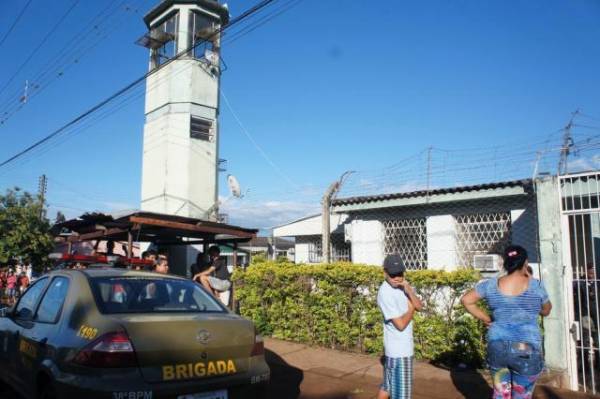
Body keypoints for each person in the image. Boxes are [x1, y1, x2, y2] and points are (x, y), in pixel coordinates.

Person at [461, 245, 552, 399]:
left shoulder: (490, 284)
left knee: (501, 394)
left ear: (505, 262)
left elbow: (466, 300)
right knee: (521, 395)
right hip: (526, 349)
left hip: (497, 346)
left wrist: (487, 319)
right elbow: (547, 310)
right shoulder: (536, 286)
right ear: (525, 262)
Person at [376, 254, 423, 399]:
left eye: (400, 274)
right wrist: (411, 309)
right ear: (385, 273)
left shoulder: (403, 287)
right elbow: (401, 325)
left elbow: (419, 306)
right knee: (402, 395)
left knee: (387, 387)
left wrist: (409, 290)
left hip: (397, 350)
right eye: (393, 274)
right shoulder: (385, 293)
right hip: (399, 353)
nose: (397, 278)